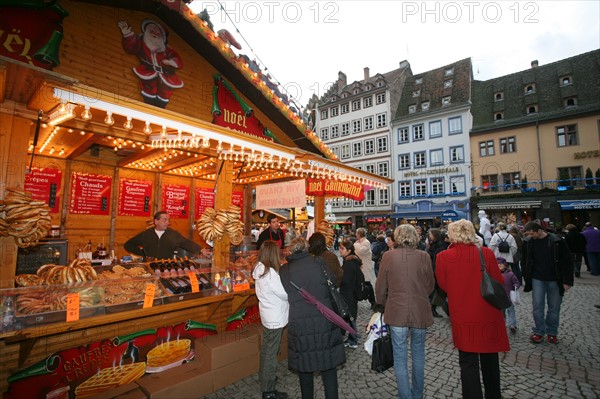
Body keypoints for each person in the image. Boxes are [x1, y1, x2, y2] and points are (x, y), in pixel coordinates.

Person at [435, 219, 510, 399]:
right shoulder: (486, 253)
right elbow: (498, 281)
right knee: (490, 359)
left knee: (468, 361)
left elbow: (443, 285)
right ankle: (494, 395)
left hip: (463, 312)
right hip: (487, 311)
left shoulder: (444, 257)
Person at [279, 237, 346, 399]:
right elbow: (334, 281)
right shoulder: (319, 262)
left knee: (304, 367)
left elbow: (284, 294)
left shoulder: (284, 271)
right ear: (306, 248)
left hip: (300, 324)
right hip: (324, 319)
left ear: (290, 250)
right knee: (328, 366)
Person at [376, 224, 435, 399]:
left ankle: (406, 396)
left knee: (400, 357)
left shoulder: (388, 256)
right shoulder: (424, 256)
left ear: (397, 237)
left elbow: (380, 287)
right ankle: (416, 394)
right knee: (418, 354)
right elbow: (430, 284)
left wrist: (382, 303)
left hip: (397, 311)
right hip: (419, 310)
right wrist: (419, 295)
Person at [522, 221, 574, 344]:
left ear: (539, 230)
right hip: (537, 278)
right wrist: (526, 275)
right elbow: (525, 260)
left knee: (554, 308)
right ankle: (539, 331)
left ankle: (552, 332)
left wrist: (567, 281)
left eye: (532, 233)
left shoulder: (556, 241)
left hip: (555, 279)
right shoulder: (528, 242)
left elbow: (567, 261)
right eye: (528, 234)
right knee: (537, 306)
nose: (530, 236)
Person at [252, 241, 289, 399]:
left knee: (267, 348)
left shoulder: (259, 269)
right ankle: (268, 390)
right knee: (271, 353)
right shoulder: (271, 274)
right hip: (275, 317)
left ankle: (264, 376)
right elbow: (285, 294)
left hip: (267, 315)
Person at [117, 20, 184, 108]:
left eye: (157, 33)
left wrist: (172, 62)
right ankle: (149, 108)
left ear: (162, 37)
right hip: (148, 71)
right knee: (149, 89)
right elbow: (132, 47)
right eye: (151, 31)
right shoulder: (141, 42)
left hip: (166, 75)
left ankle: (160, 109)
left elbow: (176, 58)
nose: (154, 34)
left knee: (165, 92)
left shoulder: (166, 49)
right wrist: (128, 34)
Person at [124, 211, 208, 259]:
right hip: (150, 267)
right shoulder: (146, 234)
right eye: (164, 220)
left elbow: (186, 242)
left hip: (166, 268)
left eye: (168, 220)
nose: (167, 222)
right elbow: (128, 245)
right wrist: (142, 253)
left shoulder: (173, 234)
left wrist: (200, 250)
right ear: (156, 221)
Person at [338, 239, 362, 349]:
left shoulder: (348, 264)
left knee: (350, 316)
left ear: (349, 250)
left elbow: (346, 280)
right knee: (350, 316)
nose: (340, 250)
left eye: (342, 248)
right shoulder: (351, 261)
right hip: (351, 293)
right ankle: (351, 338)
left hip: (348, 293)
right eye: (340, 248)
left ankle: (353, 340)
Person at [427, 228, 449, 318]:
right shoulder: (435, 244)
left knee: (438, 292)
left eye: (431, 234)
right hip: (434, 269)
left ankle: (434, 307)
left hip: (436, 270)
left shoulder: (440, 246)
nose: (429, 236)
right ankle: (433, 308)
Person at [354, 227, 377, 307]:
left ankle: (373, 302)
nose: (355, 235)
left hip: (365, 266)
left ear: (359, 234)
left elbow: (361, 251)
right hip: (360, 266)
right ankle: (356, 299)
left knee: (367, 284)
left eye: (356, 233)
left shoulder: (366, 242)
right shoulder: (359, 242)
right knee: (358, 283)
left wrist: (356, 246)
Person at [498, 257, 521, 333]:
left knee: (511, 311)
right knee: (501, 313)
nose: (499, 266)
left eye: (500, 264)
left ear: (505, 265)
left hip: (509, 297)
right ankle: (501, 324)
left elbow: (517, 282)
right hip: (500, 298)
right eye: (497, 264)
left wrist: (515, 287)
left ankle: (512, 325)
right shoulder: (495, 274)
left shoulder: (510, 274)